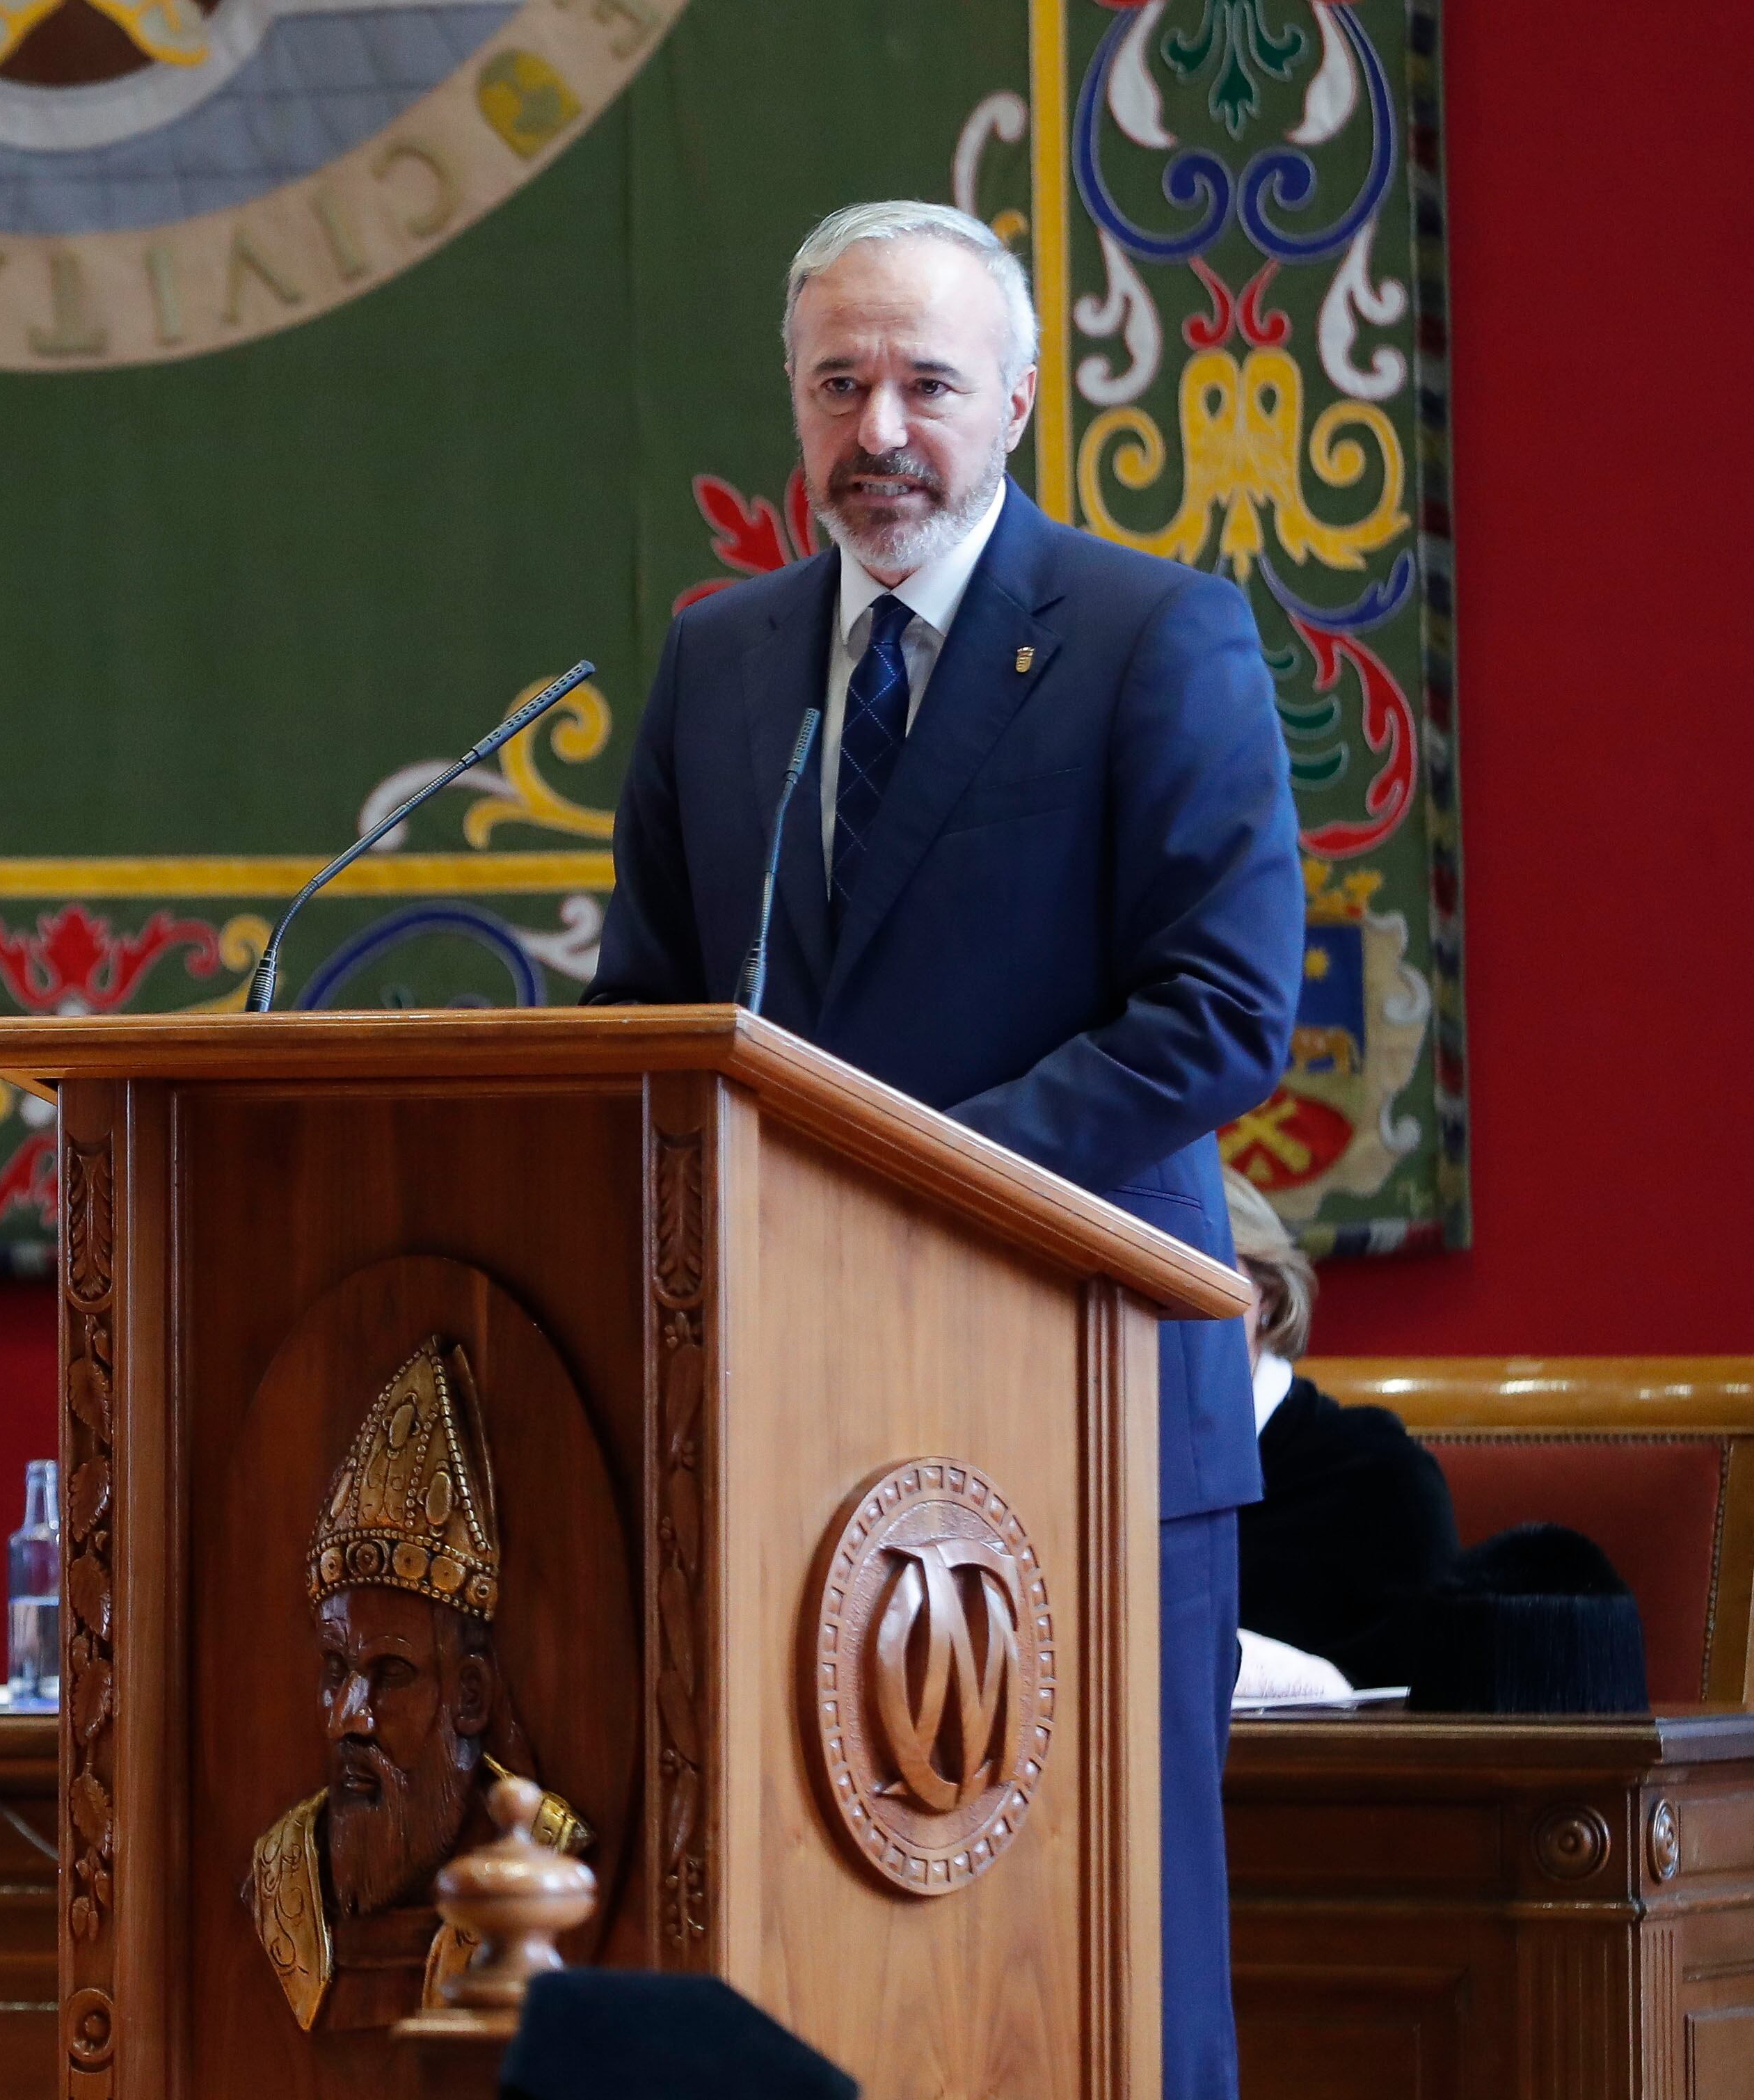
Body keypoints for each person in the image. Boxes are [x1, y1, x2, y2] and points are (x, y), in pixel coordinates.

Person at [589, 201, 1303, 2100]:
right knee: (816, 1952)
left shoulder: (1152, 636)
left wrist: (904, 1186)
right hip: (785, 1421)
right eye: (836, 386)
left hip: (1080, 1400)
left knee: (1110, 1962)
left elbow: (1220, 1013)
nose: (875, 427)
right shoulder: (721, 663)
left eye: (918, 380)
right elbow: (643, 1012)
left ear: (1011, 400)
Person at [241, 1339, 584, 2032]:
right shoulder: (283, 1877)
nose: (348, 1716)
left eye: (389, 1674)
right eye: (335, 1671)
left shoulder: (550, 1865)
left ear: (470, 1697)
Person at [1223, 1172, 1459, 1698]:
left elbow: (1427, 1711)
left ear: (1268, 1294)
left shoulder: (1375, 1475)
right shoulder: (1068, 1463)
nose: (1159, 1308)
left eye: (1195, 1271)